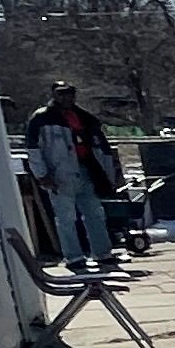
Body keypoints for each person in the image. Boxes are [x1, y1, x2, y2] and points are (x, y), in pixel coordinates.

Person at [25, 84, 120, 268]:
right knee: (65, 217)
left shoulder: (85, 117)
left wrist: (108, 174)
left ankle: (102, 253)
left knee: (95, 213)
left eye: (69, 93)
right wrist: (42, 175)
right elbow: (33, 149)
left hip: (87, 170)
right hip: (59, 174)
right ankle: (74, 257)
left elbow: (103, 148)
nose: (66, 98)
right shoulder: (41, 119)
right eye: (61, 94)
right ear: (53, 95)